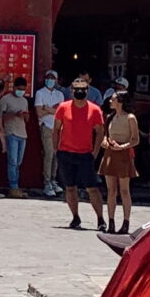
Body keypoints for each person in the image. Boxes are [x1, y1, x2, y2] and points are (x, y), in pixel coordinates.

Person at [54, 75, 107, 230]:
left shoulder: (95, 110)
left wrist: (95, 152)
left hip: (85, 154)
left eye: (82, 89)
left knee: (92, 188)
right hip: (66, 152)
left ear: (87, 90)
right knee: (70, 187)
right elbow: (56, 129)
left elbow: (100, 132)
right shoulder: (63, 108)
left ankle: (100, 219)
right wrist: (56, 148)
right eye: (77, 89)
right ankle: (75, 217)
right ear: (71, 91)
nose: (79, 92)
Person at [101, 90, 141, 234]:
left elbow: (135, 139)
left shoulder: (130, 118)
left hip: (123, 154)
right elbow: (105, 135)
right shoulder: (110, 117)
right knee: (111, 190)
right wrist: (105, 142)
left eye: (113, 99)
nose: (110, 102)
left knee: (124, 190)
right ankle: (111, 221)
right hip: (110, 153)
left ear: (121, 101)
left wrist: (122, 147)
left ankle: (126, 222)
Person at [0, 75, 31, 196]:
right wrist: (13, 114)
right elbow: (0, 116)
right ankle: (13, 186)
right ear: (14, 87)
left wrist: (25, 115)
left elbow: (27, 119)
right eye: (19, 88)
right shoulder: (6, 99)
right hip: (11, 132)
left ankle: (16, 185)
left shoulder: (24, 101)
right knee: (12, 161)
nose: (21, 91)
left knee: (18, 162)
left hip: (22, 133)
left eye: (23, 89)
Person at [34, 68, 63, 193]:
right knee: (48, 154)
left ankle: (53, 180)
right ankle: (46, 182)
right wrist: (53, 110)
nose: (50, 80)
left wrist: (48, 109)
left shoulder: (59, 94)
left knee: (56, 155)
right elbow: (39, 113)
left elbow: (61, 113)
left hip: (57, 127)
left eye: (52, 78)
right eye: (48, 78)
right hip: (46, 126)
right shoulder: (40, 93)